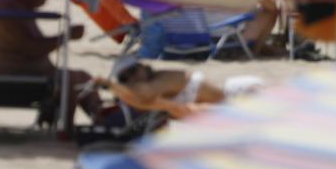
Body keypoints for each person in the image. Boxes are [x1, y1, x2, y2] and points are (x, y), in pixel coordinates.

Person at [0, 0, 100, 129]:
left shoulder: (17, 6)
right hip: (8, 82)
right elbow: (31, 49)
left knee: (83, 77)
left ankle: (102, 120)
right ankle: (68, 129)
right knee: (71, 80)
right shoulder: (9, 8)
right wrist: (65, 36)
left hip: (18, 77)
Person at [95, 57, 264, 120]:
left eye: (133, 70)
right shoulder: (144, 92)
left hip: (238, 91)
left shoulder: (162, 79)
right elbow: (141, 100)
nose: (132, 77)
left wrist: (113, 85)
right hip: (226, 107)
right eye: (125, 77)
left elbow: (145, 93)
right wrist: (116, 89)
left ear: (144, 67)